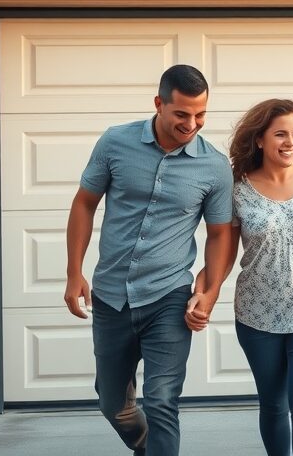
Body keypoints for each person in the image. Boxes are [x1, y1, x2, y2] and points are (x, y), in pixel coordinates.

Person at [63, 64, 235, 456]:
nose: (192, 123)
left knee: (161, 402)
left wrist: (209, 291)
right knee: (113, 404)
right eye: (182, 114)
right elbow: (84, 204)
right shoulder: (114, 142)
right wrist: (74, 273)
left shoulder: (213, 166)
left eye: (201, 114)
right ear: (159, 104)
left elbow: (221, 234)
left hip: (169, 296)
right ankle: (147, 448)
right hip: (110, 295)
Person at [188, 98, 293, 456]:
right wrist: (208, 285)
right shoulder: (237, 188)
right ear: (260, 139)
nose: (291, 141)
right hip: (257, 313)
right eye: (281, 134)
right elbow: (225, 249)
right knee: (274, 403)